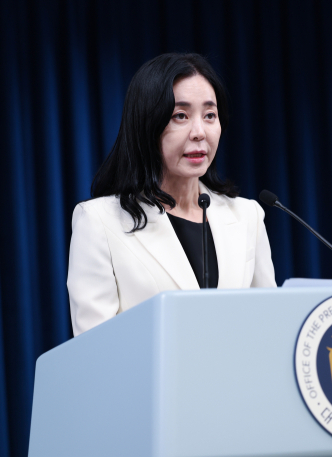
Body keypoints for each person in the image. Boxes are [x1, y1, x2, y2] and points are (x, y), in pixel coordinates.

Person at [67, 53, 277, 336]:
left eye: (210, 115)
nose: (199, 132)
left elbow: (269, 327)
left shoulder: (247, 215)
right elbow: (94, 346)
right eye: (180, 116)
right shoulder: (99, 222)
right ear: (147, 124)